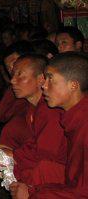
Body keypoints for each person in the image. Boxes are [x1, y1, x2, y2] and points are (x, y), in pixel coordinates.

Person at [9, 52, 88, 198]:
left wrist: (32, 194)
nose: (44, 85)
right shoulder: (74, 117)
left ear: (73, 85)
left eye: (50, 79)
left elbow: (81, 192)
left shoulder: (84, 125)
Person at [0, 54, 67, 186]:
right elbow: (1, 114)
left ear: (41, 79)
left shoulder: (50, 108)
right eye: (12, 74)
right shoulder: (32, 107)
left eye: (20, 75)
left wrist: (14, 155)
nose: (12, 80)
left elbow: (47, 152)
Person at [0, 41, 35, 149]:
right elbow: (1, 114)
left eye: (15, 64)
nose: (12, 70)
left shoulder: (51, 100)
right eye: (8, 68)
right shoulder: (18, 90)